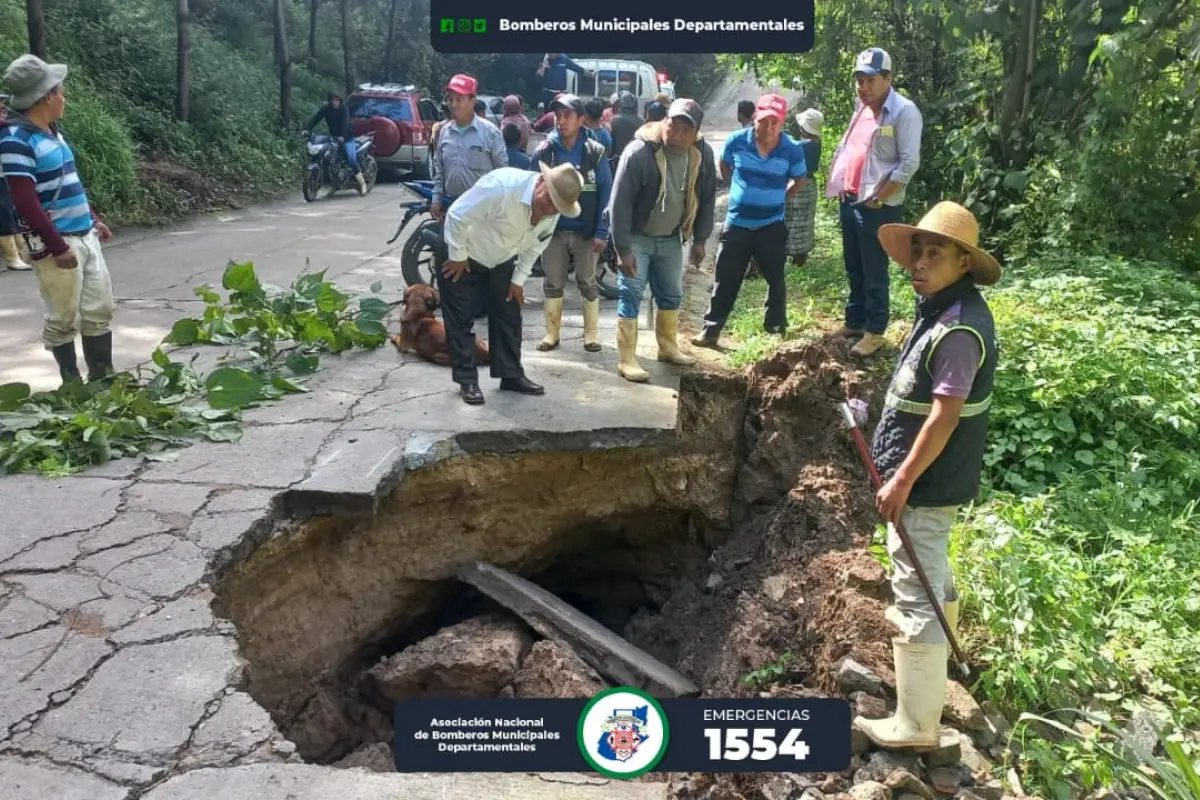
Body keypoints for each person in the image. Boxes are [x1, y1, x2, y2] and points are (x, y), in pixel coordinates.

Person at [852, 200, 1000, 751]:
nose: (919, 263)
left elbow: (943, 417)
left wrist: (903, 480)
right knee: (930, 570)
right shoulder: (938, 310)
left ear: (964, 262)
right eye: (917, 252)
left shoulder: (960, 329)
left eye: (935, 254)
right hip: (926, 476)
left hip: (930, 481)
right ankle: (941, 652)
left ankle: (916, 722)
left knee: (915, 583)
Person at [1, 54, 116, 383]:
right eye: (60, 91)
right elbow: (25, 201)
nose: (64, 97)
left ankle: (102, 377)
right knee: (63, 317)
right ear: (45, 97)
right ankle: (72, 383)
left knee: (99, 310)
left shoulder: (53, 131)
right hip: (59, 243)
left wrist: (93, 219)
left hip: (85, 235)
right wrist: (57, 246)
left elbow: (70, 180)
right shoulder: (15, 140)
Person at [439, 163, 584, 405]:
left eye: (556, 208)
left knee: (509, 313)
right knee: (460, 318)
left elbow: (537, 244)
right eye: (548, 201)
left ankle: (510, 375)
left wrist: (518, 280)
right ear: (540, 183)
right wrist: (457, 255)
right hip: (464, 252)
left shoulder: (553, 210)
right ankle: (467, 380)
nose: (549, 211)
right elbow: (456, 214)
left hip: (502, 258)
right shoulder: (502, 187)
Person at [608, 98, 717, 382]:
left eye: (685, 130)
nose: (677, 135)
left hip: (671, 237)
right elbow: (620, 203)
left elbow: (706, 198)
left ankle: (667, 347)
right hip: (637, 237)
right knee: (631, 293)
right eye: (672, 125)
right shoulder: (640, 152)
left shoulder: (701, 155)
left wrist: (700, 239)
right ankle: (627, 358)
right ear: (663, 122)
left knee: (671, 294)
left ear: (696, 134)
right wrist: (622, 249)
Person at [825, 47, 923, 358]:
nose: (863, 87)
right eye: (859, 80)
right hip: (850, 199)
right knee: (854, 265)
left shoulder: (905, 112)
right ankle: (855, 321)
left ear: (888, 78)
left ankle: (875, 331)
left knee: (874, 270)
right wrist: (842, 183)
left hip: (877, 207)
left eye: (869, 80)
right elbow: (854, 149)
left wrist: (879, 198)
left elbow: (909, 164)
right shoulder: (862, 107)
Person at [692, 94, 807, 348]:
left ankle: (775, 327)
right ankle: (710, 331)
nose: (769, 128)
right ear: (755, 117)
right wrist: (739, 189)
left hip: (771, 225)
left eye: (775, 123)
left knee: (776, 278)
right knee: (725, 279)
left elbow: (799, 180)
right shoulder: (736, 141)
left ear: (782, 122)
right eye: (764, 121)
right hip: (737, 224)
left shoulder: (792, 149)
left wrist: (780, 198)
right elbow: (725, 166)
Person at [530, 94, 612, 354]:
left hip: (586, 232)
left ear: (581, 119)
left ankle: (590, 336)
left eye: (567, 116)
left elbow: (606, 192)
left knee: (588, 283)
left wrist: (602, 230)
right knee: (553, 283)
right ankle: (551, 334)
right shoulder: (545, 151)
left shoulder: (594, 152)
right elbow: (531, 188)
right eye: (557, 116)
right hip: (552, 231)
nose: (560, 121)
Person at [304, 92, 366, 194]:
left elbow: (345, 123)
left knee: (351, 159)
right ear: (330, 101)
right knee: (328, 156)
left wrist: (343, 136)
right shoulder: (326, 109)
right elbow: (316, 119)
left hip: (347, 138)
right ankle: (333, 180)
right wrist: (307, 129)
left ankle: (362, 183)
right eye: (334, 100)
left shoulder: (344, 109)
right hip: (334, 138)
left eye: (338, 100)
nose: (336, 102)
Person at [785, 108, 824, 266]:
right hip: (809, 185)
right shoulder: (816, 143)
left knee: (792, 220)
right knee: (804, 223)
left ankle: (795, 259)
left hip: (798, 184)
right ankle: (800, 259)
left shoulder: (804, 145)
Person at [0, 93, 29, 270]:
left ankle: (22, 251)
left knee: (11, 211)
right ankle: (12, 257)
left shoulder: (7, 127)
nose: (2, 107)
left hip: (5, 175)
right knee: (3, 213)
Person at [608, 91, 641, 163]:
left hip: (617, 160)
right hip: (636, 160)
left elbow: (609, 143)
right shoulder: (641, 122)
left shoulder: (614, 121)